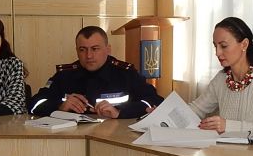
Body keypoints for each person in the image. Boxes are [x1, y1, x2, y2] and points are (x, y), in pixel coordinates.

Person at [28, 26, 164, 119]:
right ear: (77, 51)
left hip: (113, 138)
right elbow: (34, 104)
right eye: (83, 50)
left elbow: (155, 102)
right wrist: (60, 106)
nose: (89, 56)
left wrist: (119, 112)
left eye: (95, 49)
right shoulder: (65, 75)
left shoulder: (125, 73)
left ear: (108, 49)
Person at [189, 16, 253, 138]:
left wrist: (228, 126)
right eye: (215, 46)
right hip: (226, 149)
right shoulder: (221, 79)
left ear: (244, 44)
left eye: (224, 46)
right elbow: (195, 110)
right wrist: (167, 113)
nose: (217, 53)